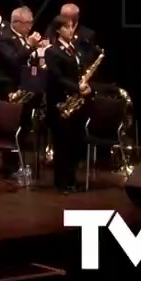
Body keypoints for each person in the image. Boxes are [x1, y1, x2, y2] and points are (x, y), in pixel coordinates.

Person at [44, 15, 90, 193]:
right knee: (62, 144)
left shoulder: (75, 49)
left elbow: (79, 72)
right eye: (67, 27)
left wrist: (85, 87)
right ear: (58, 30)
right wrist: (77, 87)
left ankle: (71, 179)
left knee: (75, 143)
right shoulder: (52, 51)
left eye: (72, 27)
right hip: (60, 104)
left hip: (76, 103)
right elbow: (57, 77)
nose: (71, 30)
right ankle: (61, 182)